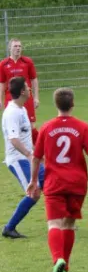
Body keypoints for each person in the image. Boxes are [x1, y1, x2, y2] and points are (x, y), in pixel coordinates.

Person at [27, 87, 88, 272]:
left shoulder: (46, 128)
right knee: (70, 224)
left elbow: (36, 157)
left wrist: (33, 181)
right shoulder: (82, 127)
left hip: (54, 182)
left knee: (54, 224)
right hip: (77, 183)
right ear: (72, 104)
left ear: (56, 105)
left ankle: (58, 260)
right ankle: (66, 266)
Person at [1, 76, 44, 239]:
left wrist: (37, 155)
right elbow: (14, 139)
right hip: (18, 159)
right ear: (22, 92)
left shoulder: (22, 109)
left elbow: (26, 136)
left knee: (50, 180)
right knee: (34, 193)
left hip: (29, 157)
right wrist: (29, 154)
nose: (30, 89)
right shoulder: (12, 112)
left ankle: (61, 221)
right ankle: (9, 228)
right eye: (27, 87)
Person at [0, 38, 41, 144]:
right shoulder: (3, 64)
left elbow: (34, 80)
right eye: (15, 46)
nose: (18, 48)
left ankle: (39, 149)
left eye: (19, 46)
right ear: (10, 48)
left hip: (26, 98)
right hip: (10, 99)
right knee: (12, 125)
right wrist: (0, 99)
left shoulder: (27, 62)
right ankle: (13, 151)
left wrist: (36, 97)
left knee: (31, 126)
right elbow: (2, 83)